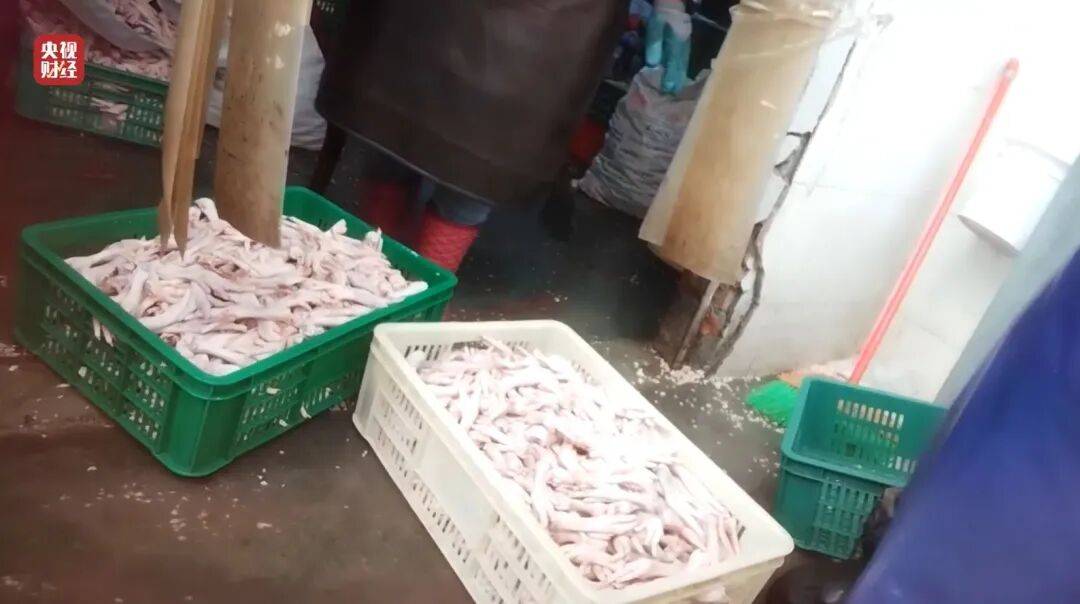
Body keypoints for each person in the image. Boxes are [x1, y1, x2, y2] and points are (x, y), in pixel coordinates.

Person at [315, 1, 696, 272]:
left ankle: (413, 292)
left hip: (553, 22)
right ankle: (375, 274)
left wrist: (669, 6)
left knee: (481, 159)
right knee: (397, 126)